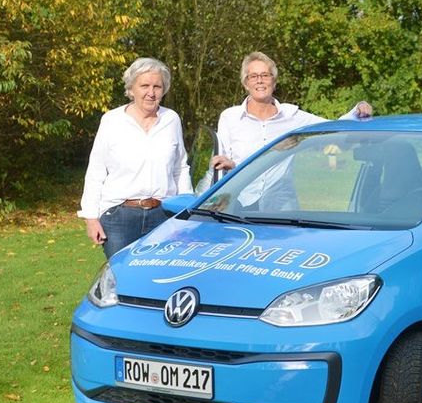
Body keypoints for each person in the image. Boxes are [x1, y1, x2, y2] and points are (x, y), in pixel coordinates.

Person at [78, 57, 193, 258]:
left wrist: (185, 209)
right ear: (132, 89)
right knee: (120, 278)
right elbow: (96, 171)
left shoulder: (171, 120)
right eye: (144, 86)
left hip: (164, 215)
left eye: (157, 86)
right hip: (119, 218)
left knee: (161, 277)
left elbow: (180, 167)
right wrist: (91, 218)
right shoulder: (112, 121)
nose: (151, 92)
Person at [209, 52, 372, 172]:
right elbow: (219, 163)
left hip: (280, 200)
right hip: (239, 199)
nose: (259, 80)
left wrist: (358, 109)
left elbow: (332, 126)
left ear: (274, 81)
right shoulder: (229, 117)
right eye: (253, 76)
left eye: (265, 75)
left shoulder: (292, 116)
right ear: (245, 83)